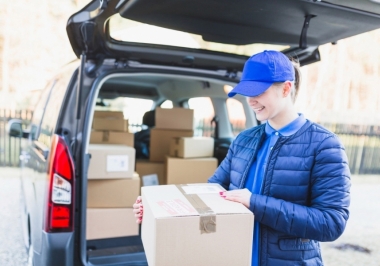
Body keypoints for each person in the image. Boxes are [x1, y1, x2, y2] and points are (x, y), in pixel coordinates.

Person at [133, 50, 351, 266]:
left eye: (257, 92)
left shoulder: (324, 145)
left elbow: (331, 223)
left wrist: (255, 203)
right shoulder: (244, 140)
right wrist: (158, 207)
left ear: (286, 88)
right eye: (247, 93)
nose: (250, 101)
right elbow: (211, 192)